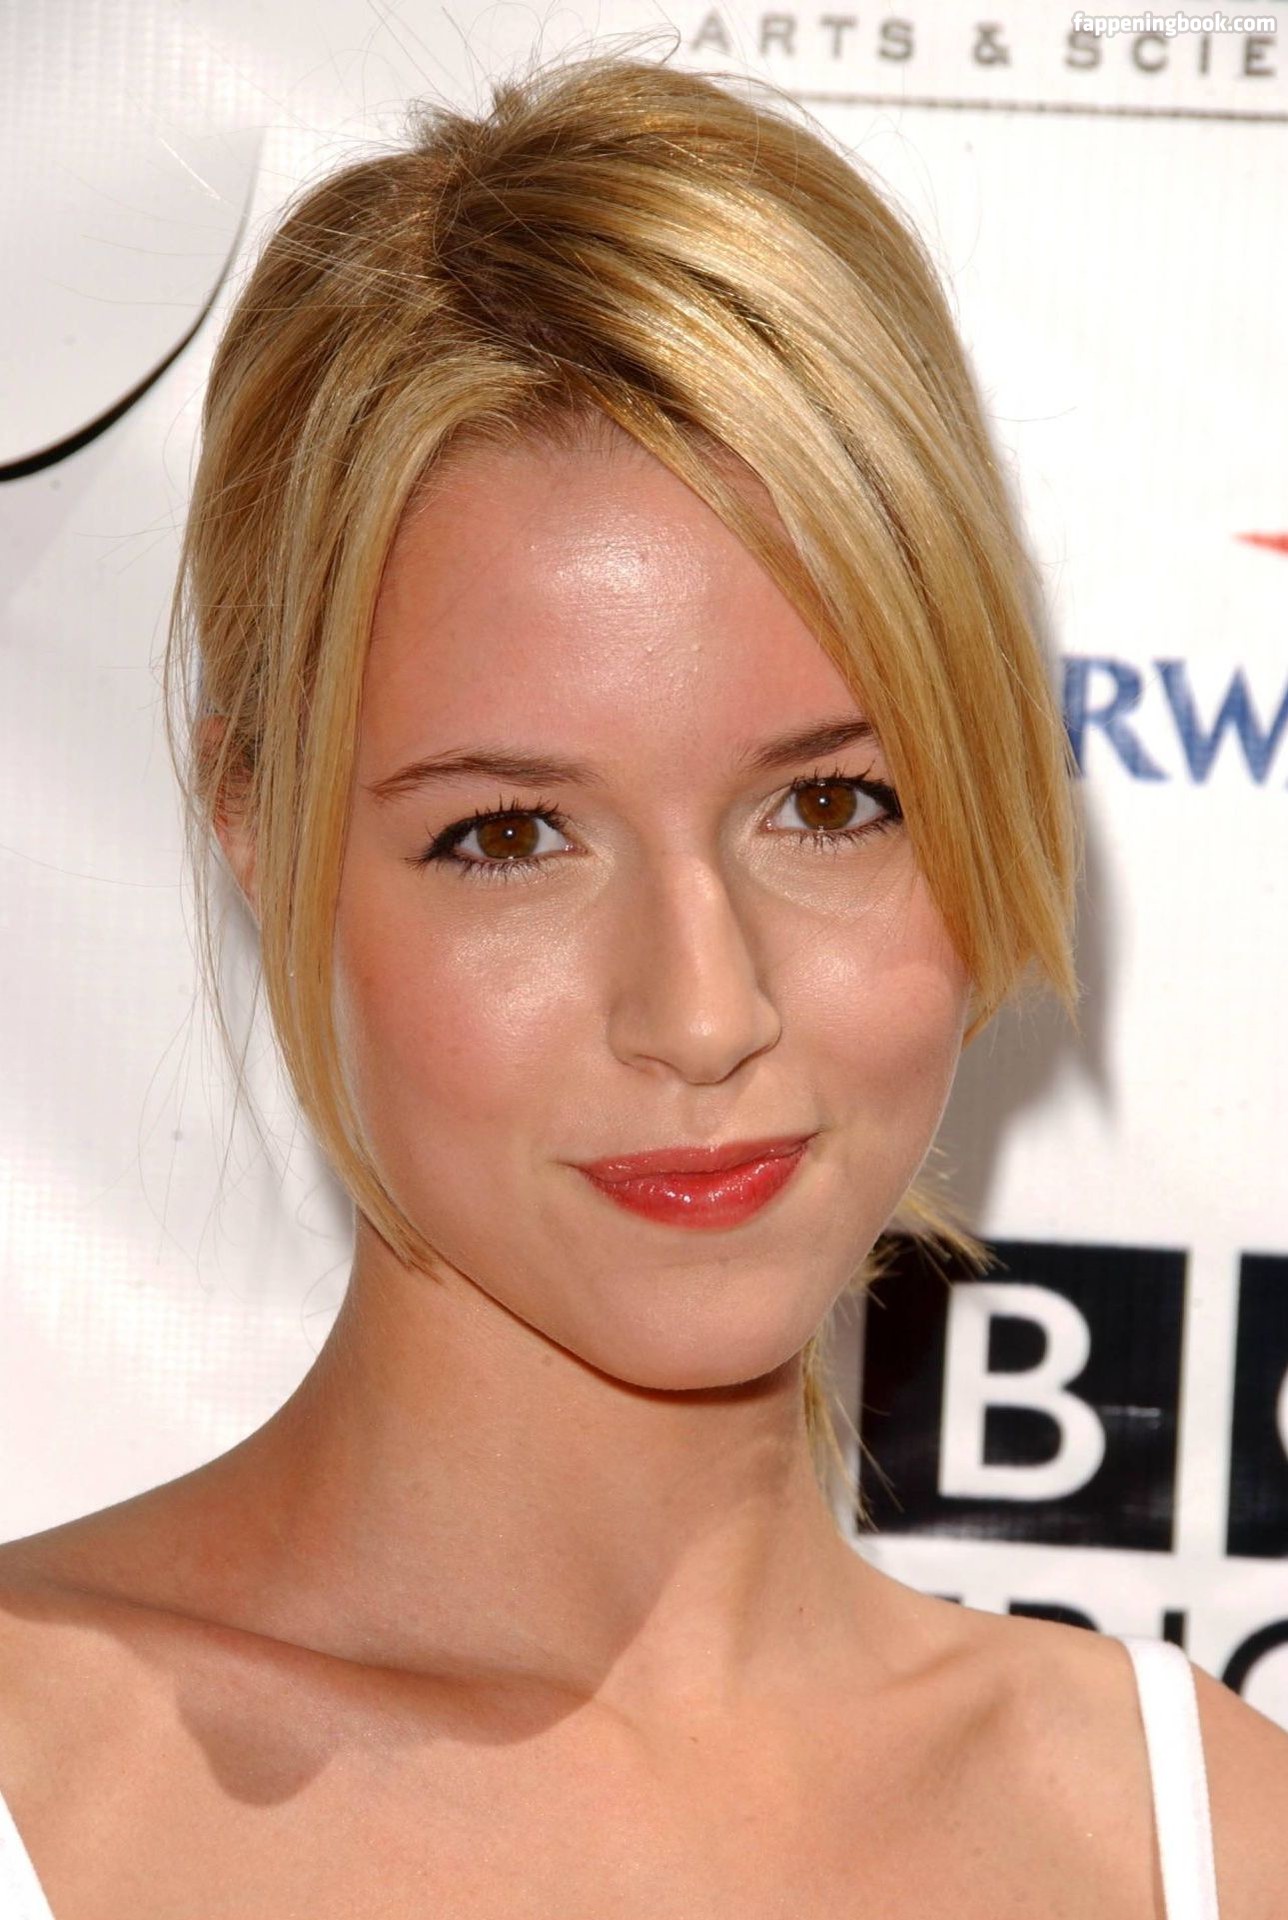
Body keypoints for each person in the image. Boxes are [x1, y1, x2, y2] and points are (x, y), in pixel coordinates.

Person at [0, 42, 1284, 1919]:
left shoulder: (1209, 1843)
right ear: (257, 826)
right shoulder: (42, 1776)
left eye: (831, 803)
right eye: (512, 834)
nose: (702, 1011)